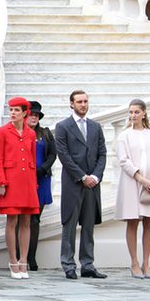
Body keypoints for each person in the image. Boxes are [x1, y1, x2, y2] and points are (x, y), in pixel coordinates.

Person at [55, 90, 108, 280]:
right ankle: (68, 264)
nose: (83, 104)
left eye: (86, 101)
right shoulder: (63, 127)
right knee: (69, 225)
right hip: (73, 183)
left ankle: (88, 264)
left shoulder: (95, 126)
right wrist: (82, 176)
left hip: (92, 185)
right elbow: (64, 156)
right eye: (79, 102)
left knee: (88, 225)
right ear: (71, 104)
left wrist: (95, 176)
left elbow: (102, 153)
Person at [115, 99, 150, 279]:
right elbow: (123, 160)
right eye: (130, 112)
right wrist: (141, 178)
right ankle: (134, 262)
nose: (133, 116)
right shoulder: (124, 135)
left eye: (136, 112)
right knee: (133, 221)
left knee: (149, 222)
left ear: (144, 113)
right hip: (132, 183)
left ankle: (146, 263)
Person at [0, 97, 39, 280]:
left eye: (16, 110)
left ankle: (23, 261)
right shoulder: (2, 132)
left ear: (24, 113)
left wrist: (34, 183)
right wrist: (1, 182)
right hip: (10, 181)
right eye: (11, 110)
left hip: (27, 181)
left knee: (26, 221)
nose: (12, 113)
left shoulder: (31, 134)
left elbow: (33, 160)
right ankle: (12, 261)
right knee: (11, 221)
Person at [21, 101, 56, 272]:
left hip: (42, 178)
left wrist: (42, 169)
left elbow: (52, 154)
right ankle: (20, 256)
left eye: (37, 115)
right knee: (22, 218)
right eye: (31, 114)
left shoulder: (45, 133)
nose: (34, 117)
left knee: (35, 218)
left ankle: (31, 258)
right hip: (22, 178)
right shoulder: (19, 132)